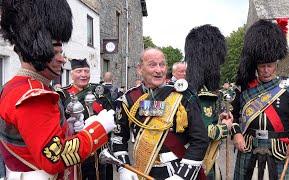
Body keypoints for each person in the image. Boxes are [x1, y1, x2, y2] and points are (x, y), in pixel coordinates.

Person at [0, 1, 115, 179]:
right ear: (38, 49)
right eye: (57, 52)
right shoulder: (34, 96)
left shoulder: (15, 86)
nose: (63, 59)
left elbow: (37, 138)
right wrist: (98, 128)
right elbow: (55, 157)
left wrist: (66, 128)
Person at [231, 19, 289, 180]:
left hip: (279, 152)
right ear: (256, 66)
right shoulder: (246, 90)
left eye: (270, 65)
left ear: (276, 64)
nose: (266, 70)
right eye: (262, 66)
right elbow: (233, 116)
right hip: (249, 149)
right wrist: (236, 134)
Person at [112, 48, 210, 180]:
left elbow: (200, 140)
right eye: (152, 65)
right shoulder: (129, 99)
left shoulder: (183, 96)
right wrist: (124, 168)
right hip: (142, 171)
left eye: (162, 64)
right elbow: (118, 138)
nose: (159, 70)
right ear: (140, 69)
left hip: (177, 169)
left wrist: (182, 176)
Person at [185, 24, 233, 179]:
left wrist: (219, 117)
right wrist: (225, 127)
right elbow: (205, 132)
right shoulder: (202, 94)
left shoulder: (189, 87)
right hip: (200, 160)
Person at [56, 59, 114, 179]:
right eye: (79, 71)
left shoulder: (100, 90)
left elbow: (111, 114)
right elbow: (59, 124)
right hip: (76, 148)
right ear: (71, 73)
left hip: (99, 149)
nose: (83, 74)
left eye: (86, 71)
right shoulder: (63, 94)